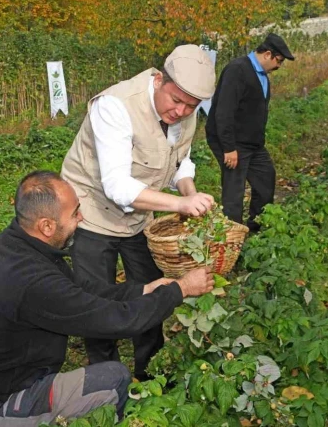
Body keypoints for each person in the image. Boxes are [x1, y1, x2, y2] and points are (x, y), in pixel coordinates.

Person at [0, 171, 215, 426]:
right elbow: (117, 321)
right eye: (75, 213)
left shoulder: (16, 244)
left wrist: (143, 289)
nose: (81, 218)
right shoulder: (33, 282)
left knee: (109, 374)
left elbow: (81, 288)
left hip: (10, 381)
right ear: (47, 226)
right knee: (114, 380)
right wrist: (181, 289)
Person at [61, 44, 216, 381]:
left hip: (138, 217)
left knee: (153, 289)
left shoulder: (184, 114)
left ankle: (151, 373)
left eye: (191, 106)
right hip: (91, 213)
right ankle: (105, 380)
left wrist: (189, 191)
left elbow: (179, 159)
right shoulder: (115, 106)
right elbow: (117, 186)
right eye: (176, 100)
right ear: (159, 79)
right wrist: (179, 205)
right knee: (97, 300)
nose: (181, 111)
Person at [205, 33, 294, 232]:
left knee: (266, 179)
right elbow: (224, 111)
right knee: (234, 191)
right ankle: (232, 237)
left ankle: (257, 228)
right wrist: (229, 148)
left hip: (253, 144)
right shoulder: (237, 70)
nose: (279, 66)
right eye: (279, 61)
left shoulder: (262, 76)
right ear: (268, 54)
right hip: (232, 142)